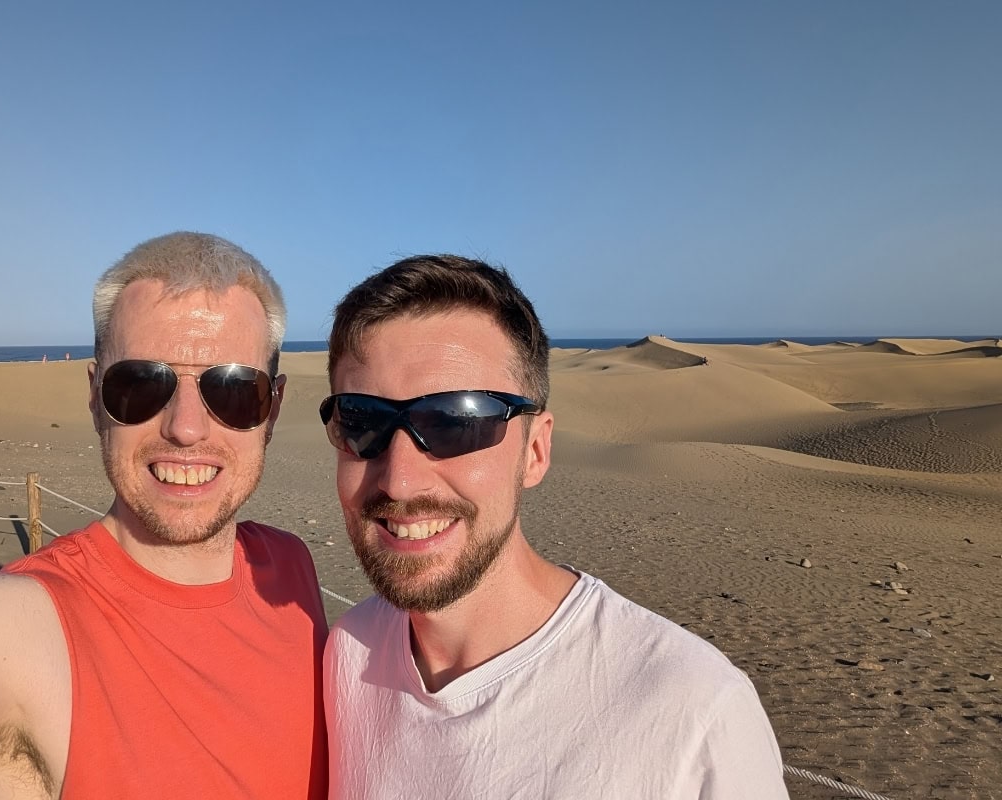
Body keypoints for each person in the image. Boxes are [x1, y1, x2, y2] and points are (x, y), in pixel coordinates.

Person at [0, 233, 328, 799]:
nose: (186, 428)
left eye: (233, 391)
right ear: (96, 394)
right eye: (140, 385)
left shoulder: (291, 568)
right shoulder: (15, 634)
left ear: (271, 408)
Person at [320, 255, 788, 799]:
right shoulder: (346, 654)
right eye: (361, 421)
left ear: (536, 450)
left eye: (456, 422)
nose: (399, 480)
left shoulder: (695, 712)